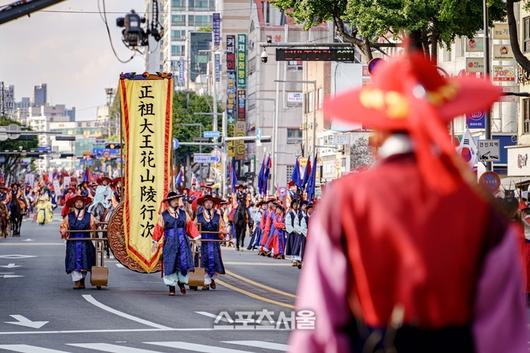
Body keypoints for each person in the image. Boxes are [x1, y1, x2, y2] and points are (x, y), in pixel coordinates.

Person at [289, 50, 526, 352]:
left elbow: (317, 326)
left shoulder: (344, 201)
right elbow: (503, 337)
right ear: (443, 121)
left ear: (377, 133)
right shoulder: (481, 210)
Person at [152, 191, 196, 296]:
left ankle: (181, 284)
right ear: (169, 202)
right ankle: (171, 287)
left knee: (182, 263)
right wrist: (155, 240)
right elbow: (158, 229)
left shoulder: (183, 213)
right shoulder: (164, 215)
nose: (176, 202)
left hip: (182, 241)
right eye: (174, 200)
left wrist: (196, 237)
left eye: (177, 200)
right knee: (170, 263)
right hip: (170, 243)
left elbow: (190, 226)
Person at [60, 195, 96, 289]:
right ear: (74, 204)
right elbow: (64, 226)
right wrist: (64, 231)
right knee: (73, 261)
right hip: (73, 242)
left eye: (81, 202)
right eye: (77, 202)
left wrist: (94, 230)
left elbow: (93, 227)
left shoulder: (89, 215)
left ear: (84, 204)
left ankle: (82, 280)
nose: (79, 203)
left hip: (86, 241)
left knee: (86, 261)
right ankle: (76, 281)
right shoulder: (69, 216)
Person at [195, 194, 226, 290]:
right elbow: (193, 228)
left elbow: (222, 227)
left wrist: (222, 233)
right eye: (207, 202)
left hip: (214, 242)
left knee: (214, 260)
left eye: (210, 202)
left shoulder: (217, 216)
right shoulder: (199, 216)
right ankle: (205, 282)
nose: (208, 204)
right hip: (203, 242)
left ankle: (211, 279)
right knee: (203, 261)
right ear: (203, 204)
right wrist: (196, 237)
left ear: (213, 204)